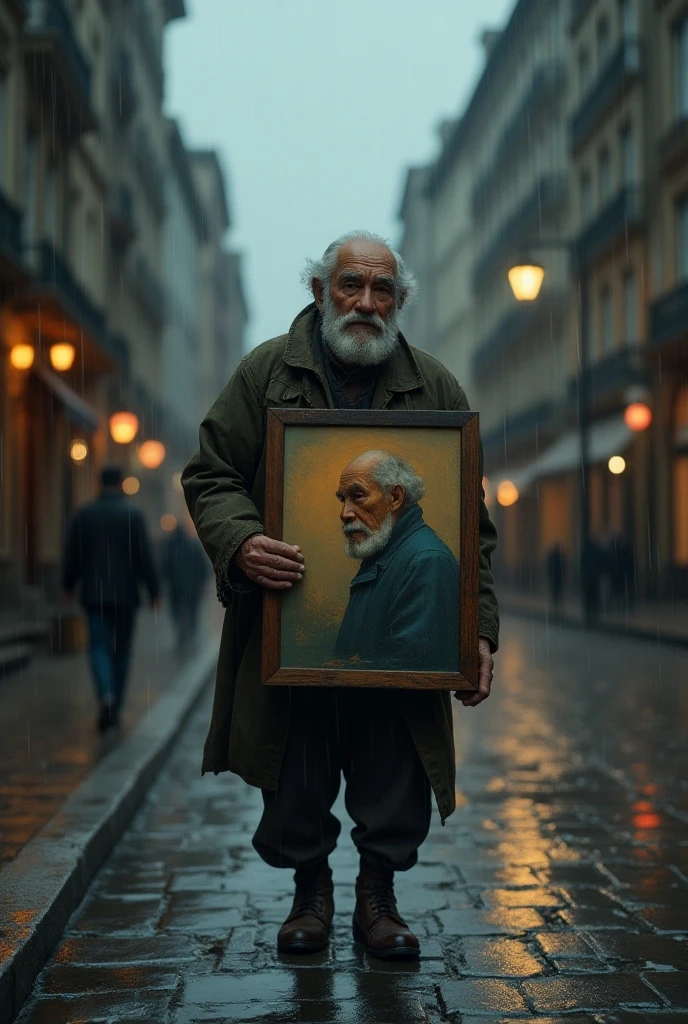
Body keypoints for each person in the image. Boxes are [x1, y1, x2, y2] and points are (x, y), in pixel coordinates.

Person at [182, 231, 499, 961]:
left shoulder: (437, 388)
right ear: (319, 292)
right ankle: (311, 893)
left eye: (382, 289)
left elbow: (470, 526)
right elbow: (211, 475)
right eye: (350, 285)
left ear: (399, 302)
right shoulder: (266, 373)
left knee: (394, 765)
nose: (365, 302)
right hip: (290, 628)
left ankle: (378, 898)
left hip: (397, 638)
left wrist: (478, 630)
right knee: (297, 764)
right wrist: (239, 541)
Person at [333, 450, 460, 671]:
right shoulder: (388, 553)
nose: (345, 513)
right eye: (343, 500)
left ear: (395, 498)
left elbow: (412, 675)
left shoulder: (427, 562)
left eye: (358, 496)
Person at [62, 465, 160, 732]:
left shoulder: (85, 514)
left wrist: (68, 585)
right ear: (120, 483)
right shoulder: (133, 514)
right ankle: (115, 702)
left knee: (97, 647)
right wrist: (154, 591)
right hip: (126, 595)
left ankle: (105, 695)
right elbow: (145, 556)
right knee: (123, 650)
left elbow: (72, 553)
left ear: (99, 483)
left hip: (94, 595)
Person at [161, 517, 210, 656]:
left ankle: (182, 635)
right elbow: (203, 567)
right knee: (192, 611)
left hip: (176, 586)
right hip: (192, 586)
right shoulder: (193, 545)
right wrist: (202, 582)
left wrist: (166, 580)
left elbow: (164, 566)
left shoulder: (170, 546)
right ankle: (190, 634)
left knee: (177, 611)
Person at [546, 543, 566, 620]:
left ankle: (556, 610)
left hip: (554, 578)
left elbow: (549, 567)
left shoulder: (553, 557)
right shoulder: (560, 557)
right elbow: (564, 567)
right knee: (558, 594)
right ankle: (558, 610)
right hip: (558, 578)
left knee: (555, 595)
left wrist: (550, 575)